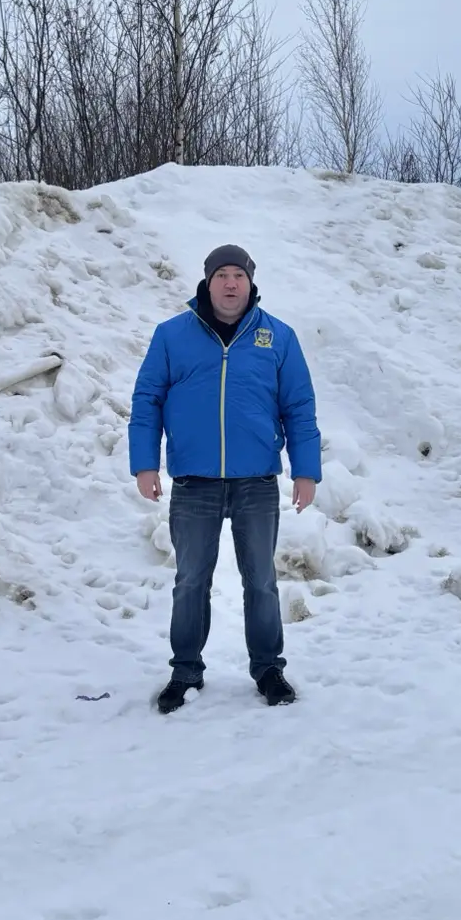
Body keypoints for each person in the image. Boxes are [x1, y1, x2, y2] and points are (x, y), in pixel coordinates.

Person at [129, 244, 322, 713]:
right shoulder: (172, 335)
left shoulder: (278, 337)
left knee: (261, 581)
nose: (230, 283)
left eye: (238, 275)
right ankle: (185, 671)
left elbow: (298, 407)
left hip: (256, 480)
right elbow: (147, 399)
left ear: (251, 282)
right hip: (194, 481)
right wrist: (145, 463)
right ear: (208, 281)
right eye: (222, 275)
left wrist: (306, 471)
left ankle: (268, 669)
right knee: (190, 580)